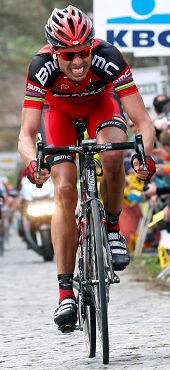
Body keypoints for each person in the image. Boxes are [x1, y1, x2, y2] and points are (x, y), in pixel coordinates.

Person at [18, 5, 155, 333]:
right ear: (55, 53)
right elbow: (26, 133)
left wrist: (143, 155)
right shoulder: (41, 66)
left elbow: (143, 121)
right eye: (68, 56)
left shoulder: (109, 56)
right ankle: (66, 292)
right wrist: (33, 163)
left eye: (83, 53)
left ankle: (110, 227)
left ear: (92, 46)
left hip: (101, 106)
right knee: (64, 187)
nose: (78, 62)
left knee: (112, 155)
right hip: (60, 115)